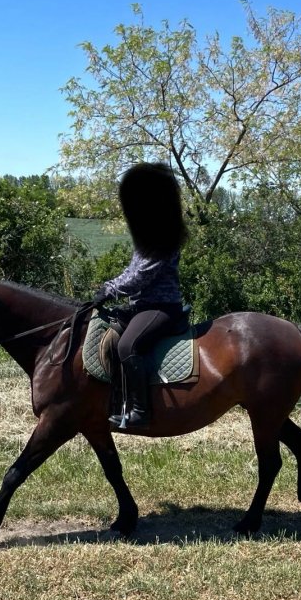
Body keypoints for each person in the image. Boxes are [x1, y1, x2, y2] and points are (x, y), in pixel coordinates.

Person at [93, 162, 188, 429]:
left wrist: (110, 290)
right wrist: (107, 287)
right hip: (142, 306)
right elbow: (131, 270)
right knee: (108, 336)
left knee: (128, 346)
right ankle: (116, 402)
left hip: (161, 307)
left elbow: (142, 275)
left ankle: (140, 412)